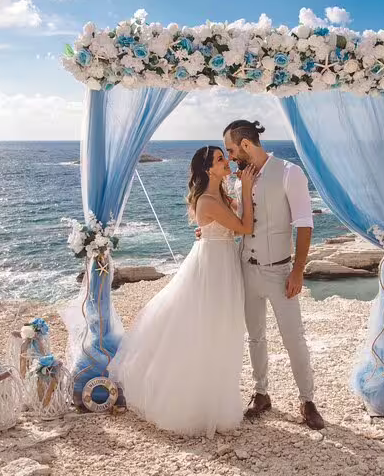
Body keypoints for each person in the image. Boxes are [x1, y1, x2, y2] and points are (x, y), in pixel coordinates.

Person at [108, 146, 257, 438]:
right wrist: (248, 186)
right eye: (219, 159)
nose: (225, 161)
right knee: (206, 330)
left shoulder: (221, 195)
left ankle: (214, 396)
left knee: (221, 330)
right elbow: (245, 226)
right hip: (213, 267)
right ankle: (194, 403)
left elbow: (227, 225)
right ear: (207, 170)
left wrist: (242, 190)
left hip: (223, 262)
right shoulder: (208, 200)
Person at [223, 120, 325, 430]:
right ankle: (261, 393)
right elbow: (236, 220)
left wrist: (297, 270)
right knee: (255, 336)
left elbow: (305, 224)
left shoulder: (289, 173)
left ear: (245, 145)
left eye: (230, 150)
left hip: (280, 270)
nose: (229, 157)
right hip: (246, 268)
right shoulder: (237, 178)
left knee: (293, 338)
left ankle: (307, 400)